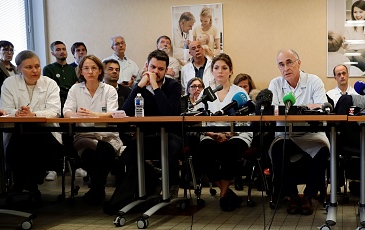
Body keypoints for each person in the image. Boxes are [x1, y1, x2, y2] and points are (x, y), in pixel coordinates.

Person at [268, 49, 330, 215]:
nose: (286, 68)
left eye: (289, 62)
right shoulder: (275, 84)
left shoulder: (313, 81)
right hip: (285, 134)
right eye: (281, 64)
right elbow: (273, 111)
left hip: (310, 134)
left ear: (299, 63)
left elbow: (321, 106)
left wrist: (294, 111)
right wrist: (305, 109)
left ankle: (309, 195)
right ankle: (292, 196)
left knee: (323, 149)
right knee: (276, 150)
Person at [0, 50, 62, 201]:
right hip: (17, 132)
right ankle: (28, 185)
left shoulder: (50, 83)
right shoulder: (10, 83)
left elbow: (55, 111)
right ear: (19, 69)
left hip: (47, 133)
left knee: (32, 139)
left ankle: (26, 185)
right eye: (29, 67)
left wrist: (32, 114)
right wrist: (19, 112)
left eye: (37, 66)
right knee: (22, 139)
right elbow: (4, 108)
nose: (35, 70)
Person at [63, 55, 122, 205]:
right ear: (81, 71)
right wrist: (78, 115)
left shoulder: (109, 90)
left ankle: (96, 187)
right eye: (86, 68)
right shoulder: (75, 89)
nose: (90, 71)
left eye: (94, 68)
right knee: (91, 152)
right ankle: (98, 187)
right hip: (84, 135)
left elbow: (112, 112)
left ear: (100, 71)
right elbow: (67, 112)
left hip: (107, 136)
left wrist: (93, 115)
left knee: (106, 150)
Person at [121, 49, 183, 191]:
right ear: (146, 66)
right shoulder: (139, 87)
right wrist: (140, 86)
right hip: (145, 135)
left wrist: (155, 86)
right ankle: (153, 177)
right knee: (127, 156)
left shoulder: (174, 86)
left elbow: (168, 113)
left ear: (166, 70)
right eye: (152, 67)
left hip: (170, 135)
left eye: (161, 69)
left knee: (170, 149)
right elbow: (126, 111)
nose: (156, 72)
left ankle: (171, 185)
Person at [197, 54, 252, 211]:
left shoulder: (240, 92)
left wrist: (228, 134)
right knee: (204, 149)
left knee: (230, 148)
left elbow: (245, 120)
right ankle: (225, 191)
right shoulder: (205, 93)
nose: (220, 71)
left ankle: (223, 195)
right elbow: (200, 119)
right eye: (216, 68)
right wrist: (213, 134)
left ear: (230, 71)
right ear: (212, 71)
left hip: (236, 134)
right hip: (211, 133)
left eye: (224, 68)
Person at [43, 40, 78, 106]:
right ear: (52, 53)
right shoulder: (48, 69)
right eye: (58, 50)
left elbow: (76, 87)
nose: (62, 51)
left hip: (72, 101)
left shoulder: (73, 69)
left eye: (64, 49)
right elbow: (49, 89)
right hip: (55, 102)